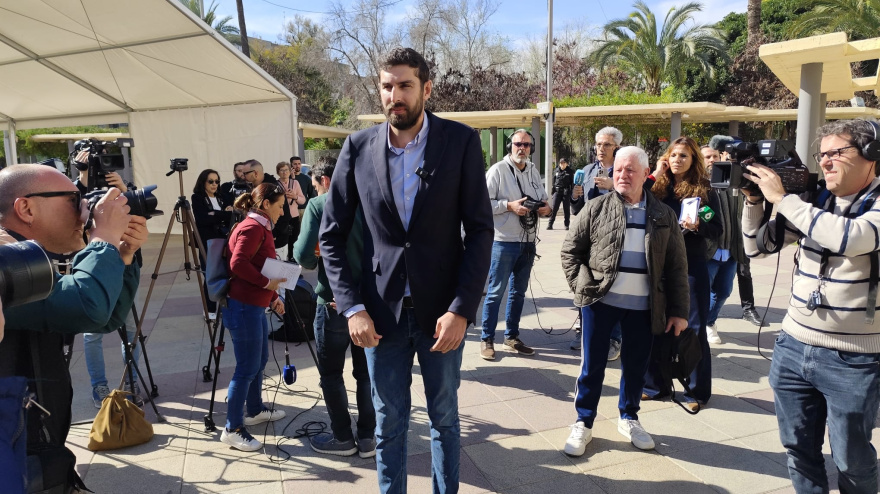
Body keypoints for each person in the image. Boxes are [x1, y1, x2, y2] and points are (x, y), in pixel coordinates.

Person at [320, 47, 493, 493]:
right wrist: (352, 307)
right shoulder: (357, 148)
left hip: (442, 316)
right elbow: (331, 236)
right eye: (386, 86)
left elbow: (479, 230)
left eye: (404, 85)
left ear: (426, 88)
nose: (394, 95)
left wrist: (462, 308)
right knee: (389, 421)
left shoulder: (459, 142)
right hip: (380, 316)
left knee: (444, 419)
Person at [743, 119, 880, 493]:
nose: (826, 163)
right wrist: (756, 202)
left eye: (837, 153)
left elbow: (851, 238)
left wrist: (784, 200)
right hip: (793, 346)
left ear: (872, 156)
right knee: (799, 449)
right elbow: (757, 247)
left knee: (852, 459)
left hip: (853, 358)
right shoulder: (814, 202)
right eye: (822, 155)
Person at [0, 164, 145, 489]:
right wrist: (103, 239)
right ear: (26, 207)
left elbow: (106, 316)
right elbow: (87, 305)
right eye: (73, 200)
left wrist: (122, 255)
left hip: (41, 448)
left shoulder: (35, 258)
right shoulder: (6, 261)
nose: (85, 212)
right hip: (17, 461)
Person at [560, 146, 689, 456]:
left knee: (635, 367)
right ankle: (583, 421)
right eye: (618, 169)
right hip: (600, 303)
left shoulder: (664, 214)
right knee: (592, 367)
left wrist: (678, 311)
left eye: (630, 170)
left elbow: (677, 266)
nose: (622, 175)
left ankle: (629, 417)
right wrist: (586, 289)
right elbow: (570, 253)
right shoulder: (596, 208)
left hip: (644, 307)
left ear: (646, 175)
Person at [293, 157, 376, 458]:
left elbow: (303, 256)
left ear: (325, 181)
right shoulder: (372, 199)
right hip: (369, 303)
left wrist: (314, 259)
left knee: (331, 374)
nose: (315, 191)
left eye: (314, 186)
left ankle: (342, 437)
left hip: (333, 301)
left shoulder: (320, 204)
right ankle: (368, 436)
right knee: (366, 374)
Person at [642, 136, 723, 411]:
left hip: (691, 265)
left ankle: (696, 392)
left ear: (693, 161)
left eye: (684, 156)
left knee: (694, 327)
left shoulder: (704, 190)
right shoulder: (657, 188)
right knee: (657, 325)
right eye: (674, 155)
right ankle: (656, 386)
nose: (677, 160)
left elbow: (717, 229)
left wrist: (699, 224)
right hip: (660, 265)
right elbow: (632, 199)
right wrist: (655, 172)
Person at [71, 160, 146, 407]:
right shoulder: (76, 192)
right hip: (93, 271)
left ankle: (131, 383)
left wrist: (123, 190)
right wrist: (83, 178)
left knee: (130, 332)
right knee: (93, 335)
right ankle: (99, 386)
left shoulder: (124, 188)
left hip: (124, 267)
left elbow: (138, 217)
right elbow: (74, 218)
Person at [220, 183, 289, 452]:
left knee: (258, 360)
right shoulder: (252, 227)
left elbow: (261, 265)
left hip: (253, 305)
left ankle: (254, 410)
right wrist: (266, 285)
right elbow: (238, 264)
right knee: (247, 367)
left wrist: (272, 297)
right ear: (265, 204)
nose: (283, 212)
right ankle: (233, 428)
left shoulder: (258, 226)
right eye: (280, 206)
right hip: (243, 306)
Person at [480, 129, 550, 360]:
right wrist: (508, 206)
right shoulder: (497, 171)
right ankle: (487, 339)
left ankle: (511, 337)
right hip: (503, 242)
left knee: (518, 293)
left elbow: (545, 201)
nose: (522, 148)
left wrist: (545, 209)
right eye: (518, 144)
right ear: (510, 146)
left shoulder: (532, 170)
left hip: (528, 242)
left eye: (527, 145)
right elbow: (482, 204)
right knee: (495, 292)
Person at [571, 126, 625, 356]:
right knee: (588, 284)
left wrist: (614, 186)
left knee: (615, 290)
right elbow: (578, 210)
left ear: (617, 148)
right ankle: (588, 332)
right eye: (598, 144)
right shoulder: (587, 170)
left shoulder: (624, 170)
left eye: (606, 145)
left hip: (616, 239)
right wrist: (575, 197)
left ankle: (614, 339)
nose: (601, 149)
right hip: (590, 239)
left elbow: (637, 197)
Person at [702, 142, 762, 330]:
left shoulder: (733, 183)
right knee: (703, 293)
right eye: (707, 157)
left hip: (732, 250)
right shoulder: (697, 185)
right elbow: (697, 211)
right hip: (708, 251)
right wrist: (710, 218)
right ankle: (702, 327)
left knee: (723, 292)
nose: (712, 160)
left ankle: (708, 323)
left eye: (715, 156)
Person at [192, 168, 232, 318]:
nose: (214, 184)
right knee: (209, 275)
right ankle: (209, 310)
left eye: (217, 181)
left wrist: (216, 214)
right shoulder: (197, 198)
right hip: (207, 242)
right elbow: (202, 219)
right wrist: (223, 214)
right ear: (203, 182)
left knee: (224, 273)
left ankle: (223, 306)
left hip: (224, 240)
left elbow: (231, 213)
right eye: (211, 181)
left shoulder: (222, 197)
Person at [242, 160, 292, 249]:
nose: (243, 176)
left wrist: (273, 234)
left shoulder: (273, 189)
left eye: (245, 173)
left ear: (255, 173)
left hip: (275, 241)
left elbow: (285, 215)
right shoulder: (252, 187)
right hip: (259, 239)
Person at [276, 161, 306, 262]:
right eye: (281, 170)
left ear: (290, 171)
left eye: (286, 170)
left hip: (294, 217)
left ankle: (294, 262)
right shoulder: (275, 184)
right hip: (281, 218)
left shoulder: (295, 183)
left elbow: (303, 200)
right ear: (278, 172)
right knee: (283, 242)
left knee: (294, 241)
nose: (284, 172)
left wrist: (295, 196)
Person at [548, 158, 574, 230]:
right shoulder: (556, 170)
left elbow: (572, 183)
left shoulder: (570, 171)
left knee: (566, 209)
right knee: (554, 208)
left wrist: (570, 191)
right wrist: (553, 191)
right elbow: (554, 181)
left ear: (566, 163)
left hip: (566, 192)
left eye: (563, 163)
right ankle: (550, 224)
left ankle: (566, 225)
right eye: (561, 163)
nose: (562, 164)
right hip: (557, 192)